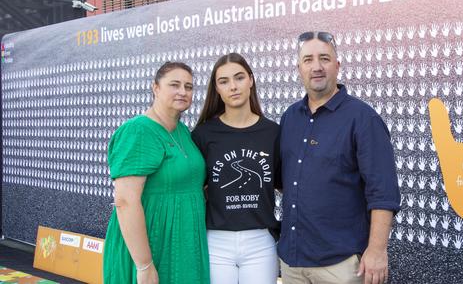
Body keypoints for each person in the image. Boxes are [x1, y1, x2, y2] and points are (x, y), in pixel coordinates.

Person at [278, 31, 401, 284]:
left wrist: (377, 251)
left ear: (337, 65)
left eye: (324, 58)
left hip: (341, 265)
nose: (317, 67)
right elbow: (287, 180)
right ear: (299, 68)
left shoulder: (363, 119)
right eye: (308, 60)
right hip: (292, 262)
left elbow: (383, 192)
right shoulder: (290, 117)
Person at [103, 61, 210, 284]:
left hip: (183, 243)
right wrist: (144, 265)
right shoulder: (138, 130)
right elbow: (125, 201)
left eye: (189, 87)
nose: (183, 91)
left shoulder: (182, 131)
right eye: (175, 84)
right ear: (156, 88)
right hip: (153, 244)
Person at [192, 53, 281, 284]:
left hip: (260, 242)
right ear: (217, 89)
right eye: (224, 81)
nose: (233, 86)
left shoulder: (273, 133)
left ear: (250, 80)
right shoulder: (203, 134)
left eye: (239, 78)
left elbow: (286, 186)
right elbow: (193, 188)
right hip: (216, 241)